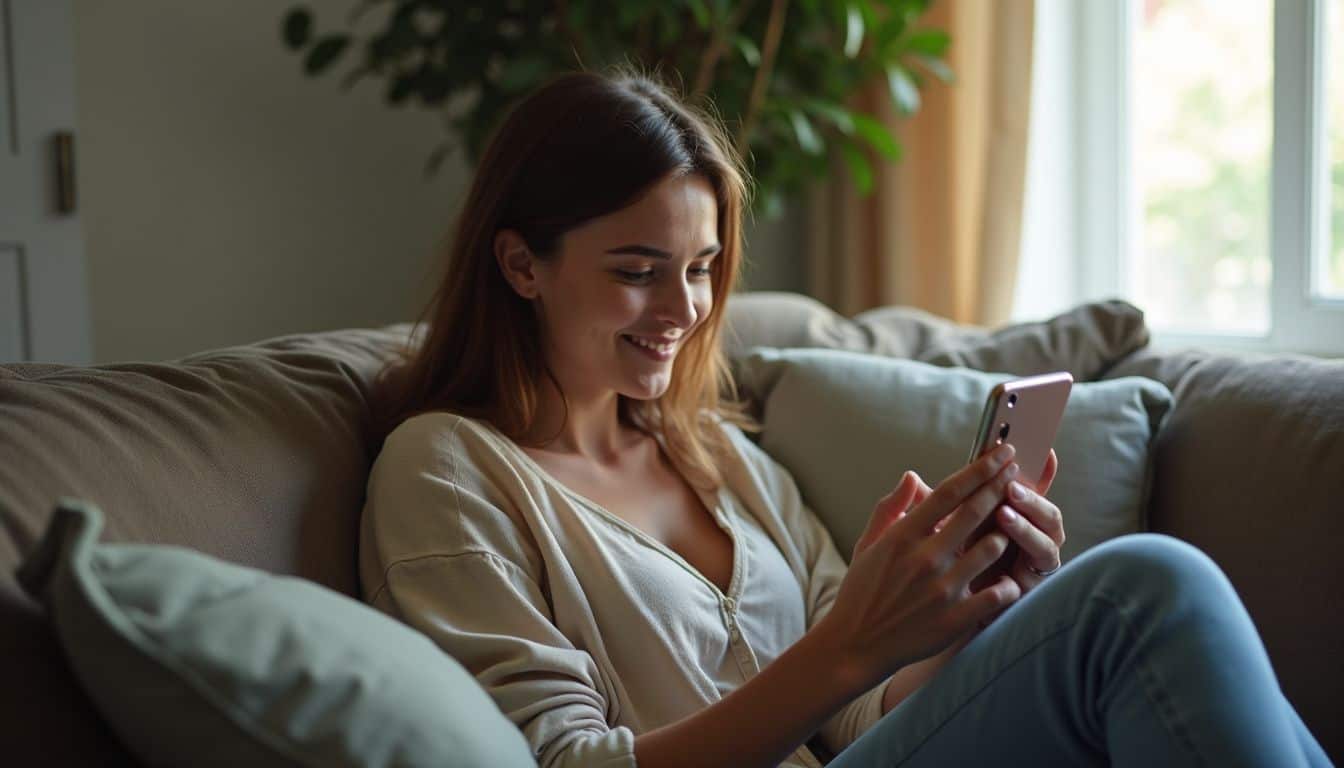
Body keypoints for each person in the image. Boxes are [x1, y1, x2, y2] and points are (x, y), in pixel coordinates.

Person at [359, 69, 1329, 768]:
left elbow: (864, 717)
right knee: (1140, 590)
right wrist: (849, 643)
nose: (685, 311)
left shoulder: (722, 461)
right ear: (523, 265)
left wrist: (971, 611)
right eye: (636, 271)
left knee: (1124, 602)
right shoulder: (447, 468)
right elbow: (565, 763)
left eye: (700, 270)